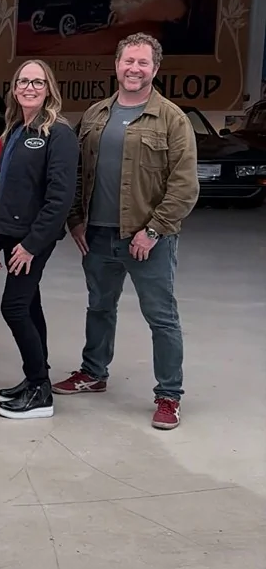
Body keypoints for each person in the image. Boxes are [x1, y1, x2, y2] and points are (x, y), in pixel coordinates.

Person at [53, 33, 199, 429]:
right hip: (98, 235)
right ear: (116, 65)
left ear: (155, 69)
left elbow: (185, 185)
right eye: (128, 61)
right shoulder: (97, 114)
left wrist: (152, 231)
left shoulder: (172, 119)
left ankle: (169, 395)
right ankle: (93, 373)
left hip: (147, 239)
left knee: (161, 317)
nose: (134, 68)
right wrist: (76, 219)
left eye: (143, 62)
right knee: (99, 307)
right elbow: (79, 173)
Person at [0, 61, 78, 420]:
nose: (29, 86)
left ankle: (40, 390)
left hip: (32, 239)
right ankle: (33, 378)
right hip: (9, 235)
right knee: (30, 304)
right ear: (14, 88)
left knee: (14, 307)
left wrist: (32, 245)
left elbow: (60, 197)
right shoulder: (15, 130)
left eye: (37, 81)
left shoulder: (58, 133)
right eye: (23, 81)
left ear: (49, 88)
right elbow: (4, 190)